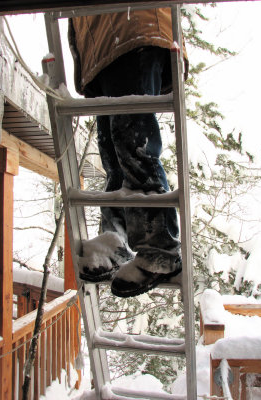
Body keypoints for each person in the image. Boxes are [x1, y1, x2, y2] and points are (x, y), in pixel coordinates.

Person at [68, 8, 189, 298]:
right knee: (112, 151)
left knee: (133, 141)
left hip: (132, 28)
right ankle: (115, 237)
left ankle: (160, 251)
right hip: (103, 49)